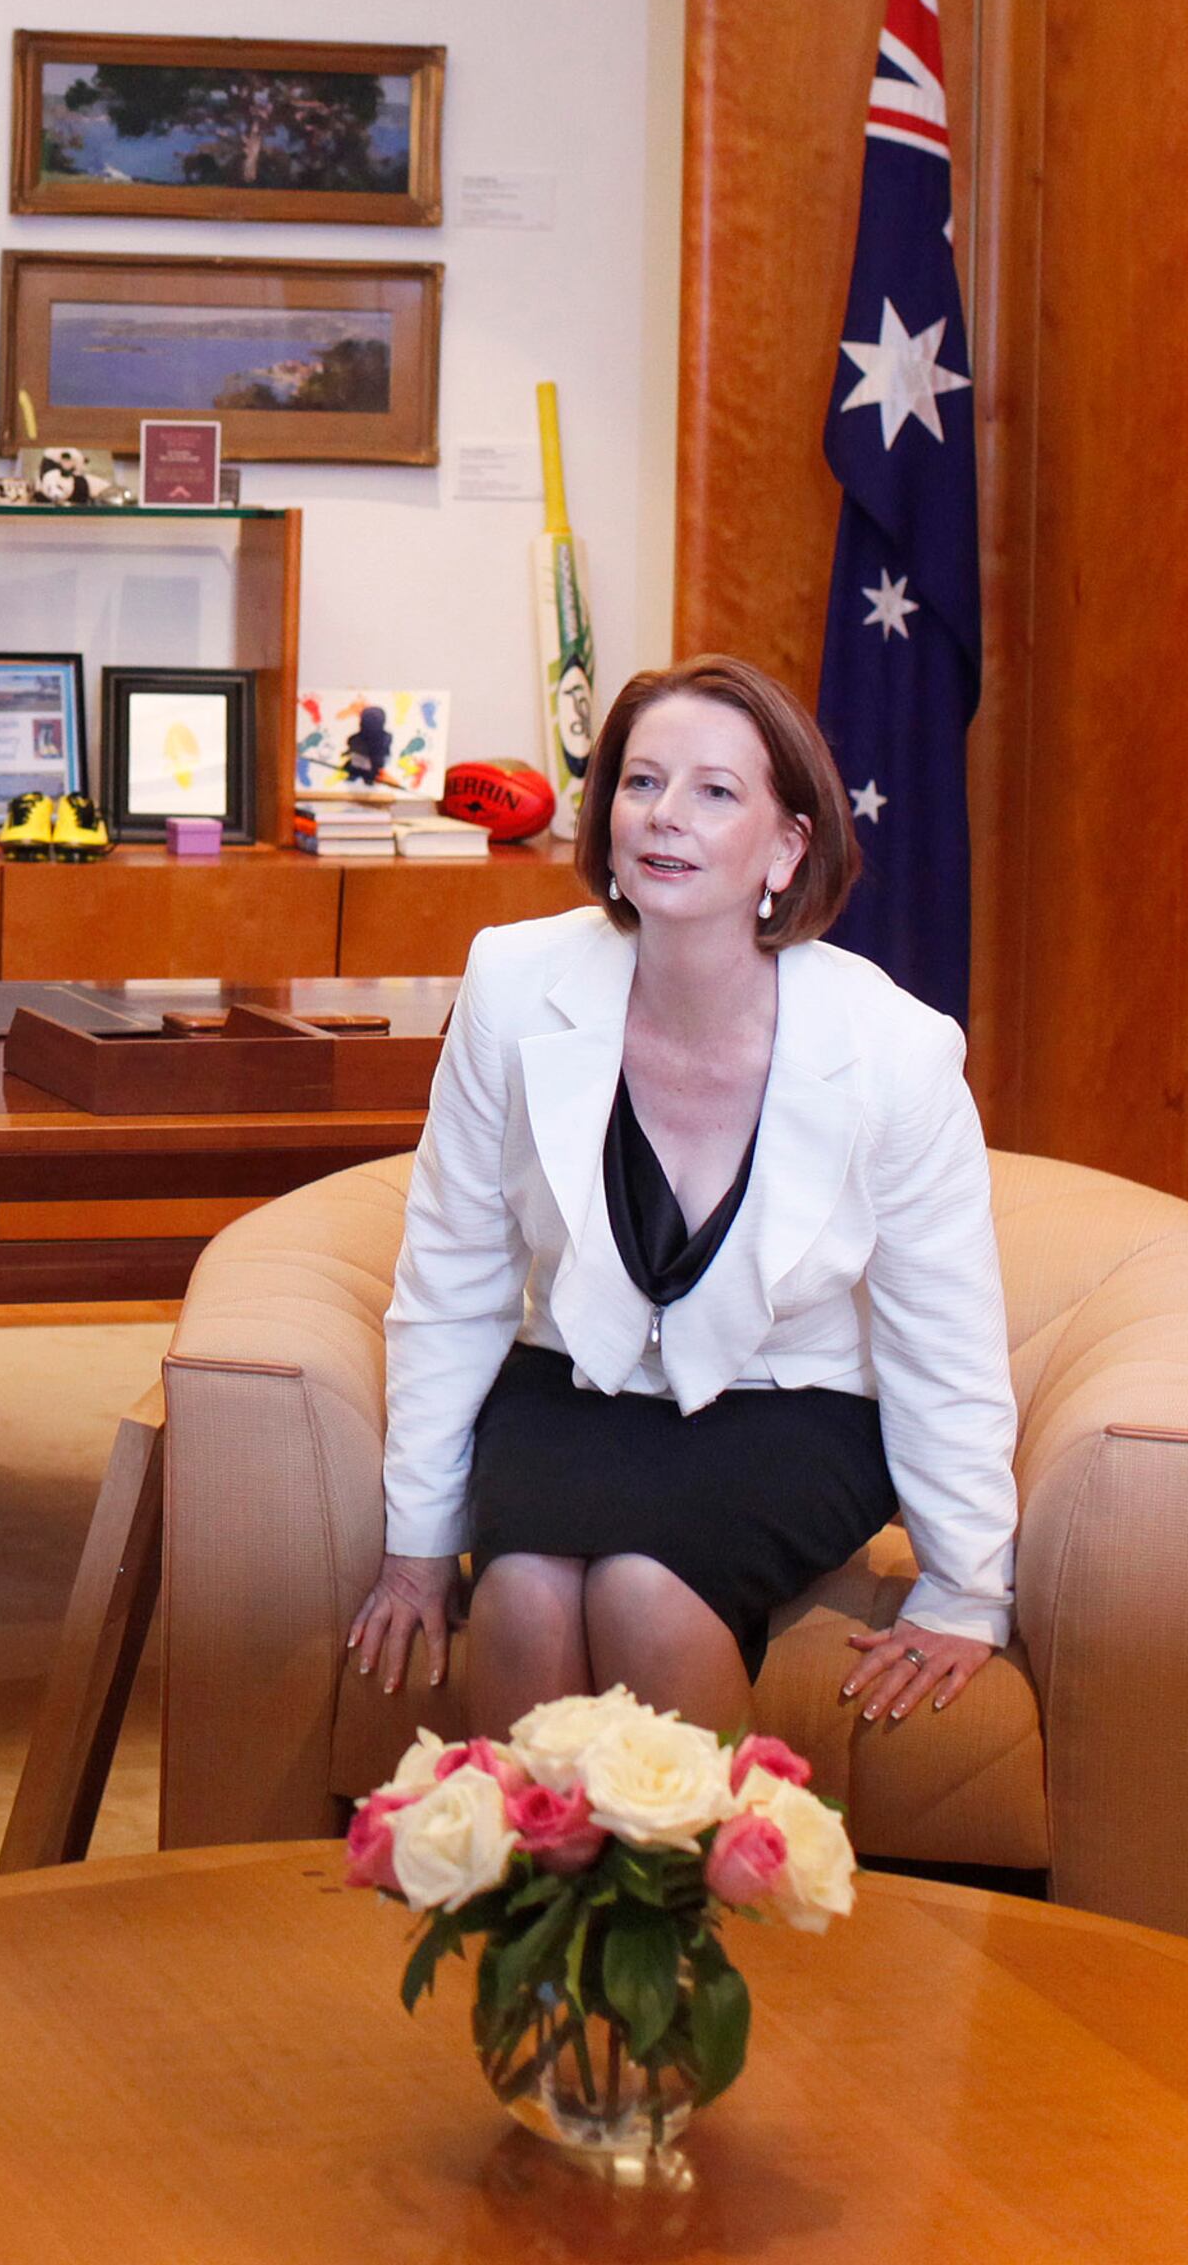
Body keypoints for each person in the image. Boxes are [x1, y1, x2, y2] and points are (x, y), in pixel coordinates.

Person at [344, 656, 1017, 1744]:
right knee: (521, 1596)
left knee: (642, 1594)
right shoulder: (513, 988)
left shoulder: (893, 1051)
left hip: (792, 1404)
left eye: (716, 791)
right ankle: (526, 1907)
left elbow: (945, 1328)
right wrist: (418, 1540)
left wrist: (968, 1586)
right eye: (642, 782)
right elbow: (452, 1274)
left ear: (788, 846)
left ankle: (707, 1907)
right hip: (575, 1382)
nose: (667, 817)